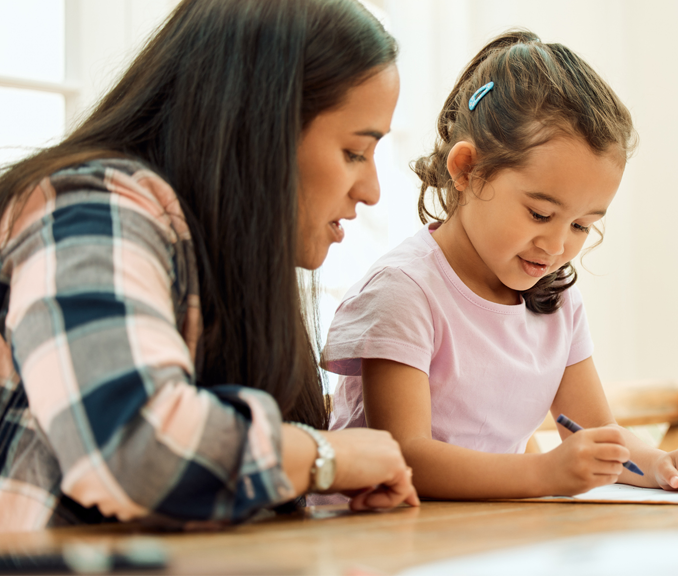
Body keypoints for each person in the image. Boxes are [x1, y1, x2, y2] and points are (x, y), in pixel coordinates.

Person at [0, 0, 418, 532]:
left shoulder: (226, 262)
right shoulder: (90, 209)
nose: (372, 191)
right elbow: (133, 445)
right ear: (259, 127)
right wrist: (323, 456)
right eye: (355, 152)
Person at [319, 31, 678, 500]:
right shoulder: (405, 291)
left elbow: (596, 432)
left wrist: (663, 466)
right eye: (539, 213)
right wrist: (543, 474)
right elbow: (404, 456)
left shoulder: (556, 301)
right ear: (467, 170)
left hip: (481, 535)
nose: (556, 245)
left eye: (581, 226)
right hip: (376, 542)